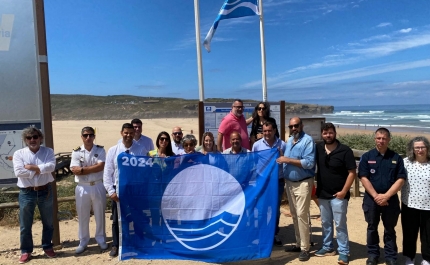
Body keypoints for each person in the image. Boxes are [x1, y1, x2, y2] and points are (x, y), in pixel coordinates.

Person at [358, 127, 406, 265]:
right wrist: (376, 196)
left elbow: (401, 179)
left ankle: (391, 256)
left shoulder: (396, 158)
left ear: (389, 139)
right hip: (371, 200)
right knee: (372, 227)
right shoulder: (367, 157)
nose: (381, 141)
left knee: (390, 229)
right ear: (375, 139)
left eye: (384, 138)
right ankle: (373, 255)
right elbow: (363, 177)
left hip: (390, 200)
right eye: (379, 138)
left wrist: (386, 196)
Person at [12, 127, 57, 263]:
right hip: (27, 192)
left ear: (40, 138)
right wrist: (40, 169)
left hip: (45, 191)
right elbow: (18, 172)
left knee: (48, 222)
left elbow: (52, 167)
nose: (32, 140)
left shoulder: (48, 151)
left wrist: (31, 167)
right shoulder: (19, 153)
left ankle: (47, 246)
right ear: (25, 140)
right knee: (25, 224)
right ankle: (26, 251)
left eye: (35, 137)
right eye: (29, 137)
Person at [314, 123, 356, 265]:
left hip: (339, 195)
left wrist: (344, 191)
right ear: (322, 134)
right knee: (326, 223)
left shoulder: (345, 151)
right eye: (325, 133)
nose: (328, 135)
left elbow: (352, 173)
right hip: (322, 193)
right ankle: (327, 247)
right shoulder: (318, 148)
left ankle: (344, 252)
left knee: (340, 224)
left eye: (330, 133)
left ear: (335, 133)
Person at [276, 117, 316, 262]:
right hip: (290, 183)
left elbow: (309, 163)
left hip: (303, 183)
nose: (294, 128)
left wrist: (287, 160)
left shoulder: (308, 141)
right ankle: (299, 244)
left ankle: (305, 248)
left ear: (301, 126)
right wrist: (282, 156)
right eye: (291, 126)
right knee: (294, 214)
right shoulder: (289, 142)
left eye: (296, 126)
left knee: (301, 215)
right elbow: (286, 158)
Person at [103, 123, 145, 257]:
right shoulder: (113, 150)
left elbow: (144, 172)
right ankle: (116, 244)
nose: (129, 135)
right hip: (118, 191)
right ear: (121, 133)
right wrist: (111, 191)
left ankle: (138, 243)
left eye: (131, 133)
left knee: (137, 217)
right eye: (126, 133)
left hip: (135, 191)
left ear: (134, 134)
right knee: (116, 220)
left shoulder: (141, 150)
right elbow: (107, 173)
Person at [70, 126, 108, 254]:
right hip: (82, 186)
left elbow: (101, 166)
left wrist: (82, 170)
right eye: (85, 135)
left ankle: (101, 239)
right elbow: (74, 169)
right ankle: (84, 240)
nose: (88, 137)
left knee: (100, 214)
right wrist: (90, 168)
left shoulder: (100, 150)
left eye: (91, 135)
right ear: (81, 137)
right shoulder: (76, 152)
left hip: (98, 185)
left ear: (94, 136)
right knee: (82, 215)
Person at [252, 119, 286, 247]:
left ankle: (274, 234)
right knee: (262, 209)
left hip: (278, 182)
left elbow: (285, 162)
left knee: (275, 210)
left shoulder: (282, 145)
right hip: (263, 182)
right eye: (264, 131)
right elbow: (253, 163)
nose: (267, 133)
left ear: (274, 130)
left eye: (269, 131)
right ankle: (262, 234)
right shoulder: (257, 145)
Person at [401, 136, 430, 265]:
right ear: (412, 149)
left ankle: (427, 258)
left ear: (427, 148)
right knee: (409, 232)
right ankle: (409, 257)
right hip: (409, 203)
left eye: (422, 147)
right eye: (417, 147)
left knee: (428, 234)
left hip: (428, 205)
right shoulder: (405, 162)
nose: (420, 150)